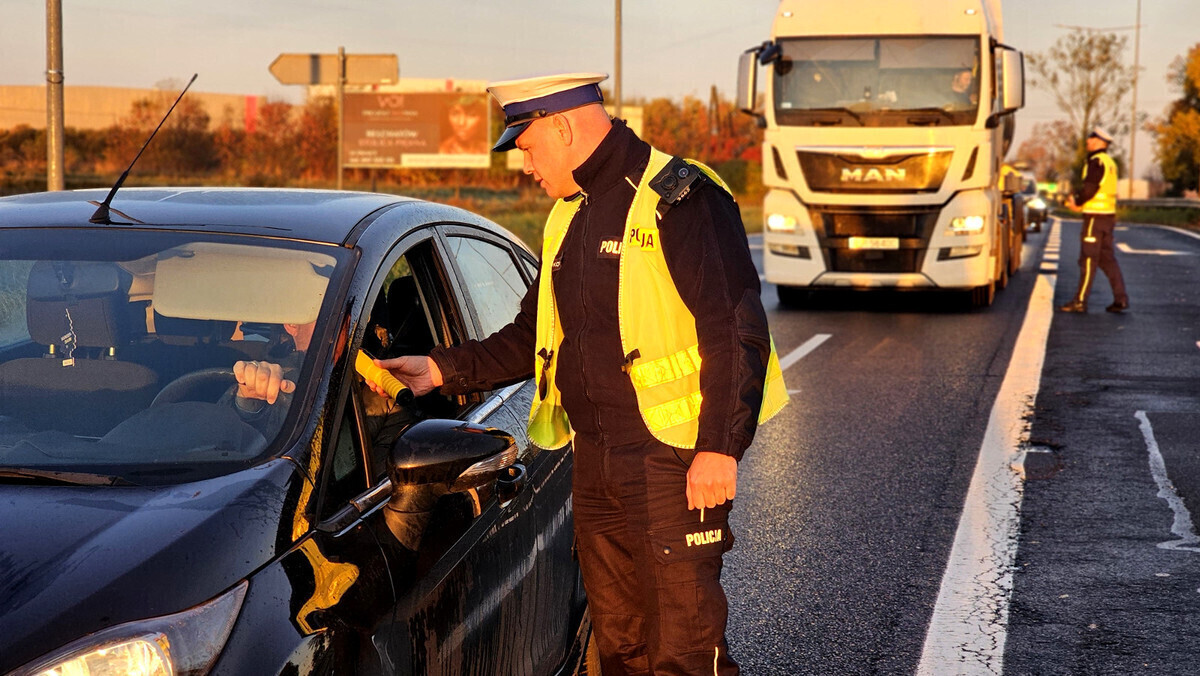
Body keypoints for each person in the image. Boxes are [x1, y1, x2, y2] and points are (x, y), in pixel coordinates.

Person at [371, 72, 788, 675]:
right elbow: (531, 339)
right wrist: (439, 369)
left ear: (563, 127)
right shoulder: (569, 216)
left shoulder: (679, 198)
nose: (526, 166)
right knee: (620, 649)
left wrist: (718, 450)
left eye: (527, 146)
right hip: (595, 463)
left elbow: (735, 331)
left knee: (684, 654)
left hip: (671, 460)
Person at [1060, 127, 1129, 313]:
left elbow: (1090, 188)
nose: (1087, 142)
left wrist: (1077, 203)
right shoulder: (1110, 162)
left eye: (1091, 139)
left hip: (1094, 218)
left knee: (1088, 259)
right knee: (1107, 259)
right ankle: (1120, 299)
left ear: (1100, 142)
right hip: (1108, 217)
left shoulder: (1096, 161)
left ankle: (1080, 301)